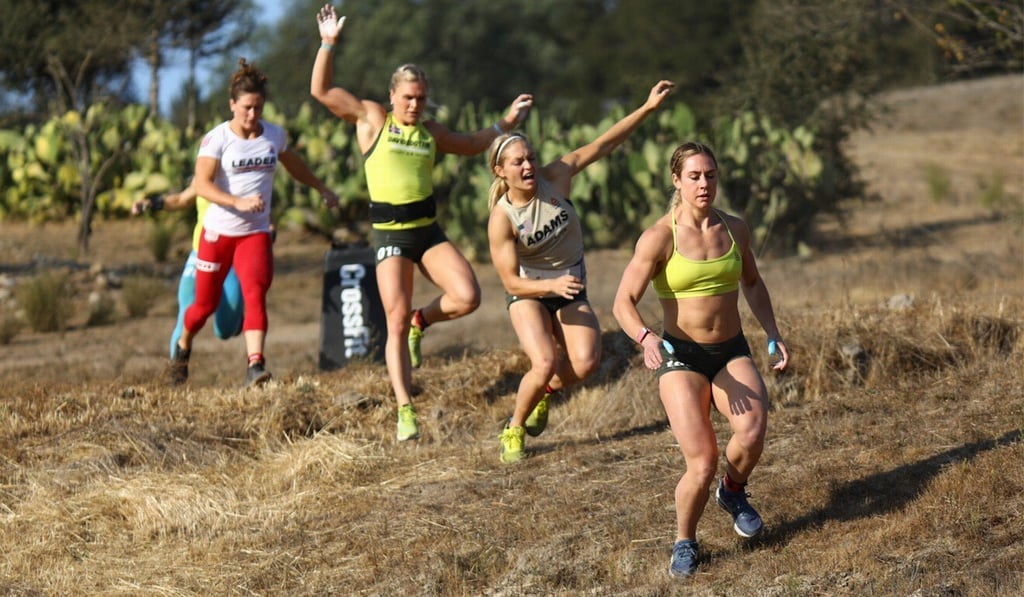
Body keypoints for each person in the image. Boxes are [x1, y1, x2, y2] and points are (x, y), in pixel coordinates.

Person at [310, 4, 532, 441]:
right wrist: (327, 43)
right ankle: (405, 409)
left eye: (421, 98)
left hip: (427, 231)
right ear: (392, 96)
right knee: (391, 320)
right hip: (390, 236)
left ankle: (421, 323)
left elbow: (471, 145)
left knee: (468, 296)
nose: (414, 104)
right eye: (408, 97)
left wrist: (504, 123)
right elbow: (321, 90)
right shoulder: (372, 119)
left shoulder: (429, 130)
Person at [612, 141, 790, 578]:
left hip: (730, 350)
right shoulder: (659, 238)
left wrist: (773, 333)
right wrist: (646, 337)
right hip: (681, 356)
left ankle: (732, 492)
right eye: (694, 176)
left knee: (751, 432)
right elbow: (622, 302)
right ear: (676, 180)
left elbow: (753, 282)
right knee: (703, 459)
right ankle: (685, 542)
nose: (704, 183)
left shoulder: (735, 229)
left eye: (710, 174)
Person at [487, 80, 675, 463]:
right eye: (518, 162)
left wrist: (647, 108)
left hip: (568, 286)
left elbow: (604, 144)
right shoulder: (502, 218)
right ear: (500, 170)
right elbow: (509, 281)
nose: (528, 166)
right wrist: (550, 283)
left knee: (587, 363)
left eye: (530, 158)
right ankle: (515, 427)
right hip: (528, 291)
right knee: (543, 362)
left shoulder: (556, 178)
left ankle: (544, 392)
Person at [170, 58, 339, 387]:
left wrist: (322, 188)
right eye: (246, 107)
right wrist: (237, 202)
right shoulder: (216, 139)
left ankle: (255, 366)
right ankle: (183, 345)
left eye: (258, 107)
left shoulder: (274, 136)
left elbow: (294, 165)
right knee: (202, 307)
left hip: (255, 234)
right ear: (232, 104)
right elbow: (202, 184)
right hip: (218, 234)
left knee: (255, 295)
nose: (252, 114)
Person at [132, 183, 245, 359]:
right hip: (201, 253)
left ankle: (236, 321)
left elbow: (261, 205)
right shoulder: (205, 172)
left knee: (224, 330)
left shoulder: (243, 173)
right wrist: (151, 203)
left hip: (231, 258)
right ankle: (175, 373)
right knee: (186, 310)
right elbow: (180, 200)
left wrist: (269, 228)